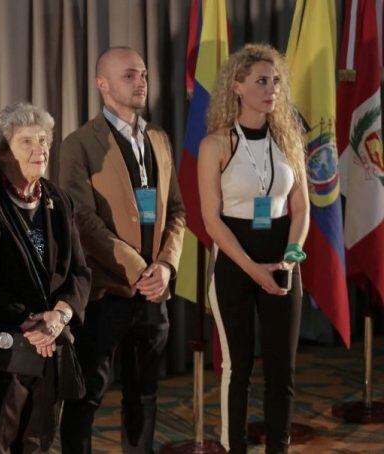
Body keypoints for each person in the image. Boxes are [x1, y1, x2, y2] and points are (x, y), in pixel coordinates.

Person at [57, 47, 186, 453]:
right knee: (87, 395)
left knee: (145, 395)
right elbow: (80, 218)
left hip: (153, 294)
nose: (141, 81)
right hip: (105, 293)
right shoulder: (78, 143)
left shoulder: (159, 138)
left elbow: (177, 212)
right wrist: (137, 268)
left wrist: (164, 266)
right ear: (103, 85)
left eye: (144, 74)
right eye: (129, 75)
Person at [198, 43, 309, 454]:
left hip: (283, 262)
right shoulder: (216, 145)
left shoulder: (289, 140)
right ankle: (236, 449)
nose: (272, 89)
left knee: (283, 370)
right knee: (237, 368)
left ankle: (278, 447)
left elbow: (301, 209)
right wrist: (253, 269)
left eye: (276, 81)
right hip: (235, 265)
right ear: (238, 86)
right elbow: (212, 220)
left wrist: (292, 256)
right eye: (262, 81)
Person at [0, 102, 91, 453]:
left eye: (44, 139)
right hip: (2, 349)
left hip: (51, 345)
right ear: (2, 152)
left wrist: (60, 315)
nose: (41, 149)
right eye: (27, 142)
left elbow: (79, 271)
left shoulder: (58, 199)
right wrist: (29, 322)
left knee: (38, 443)